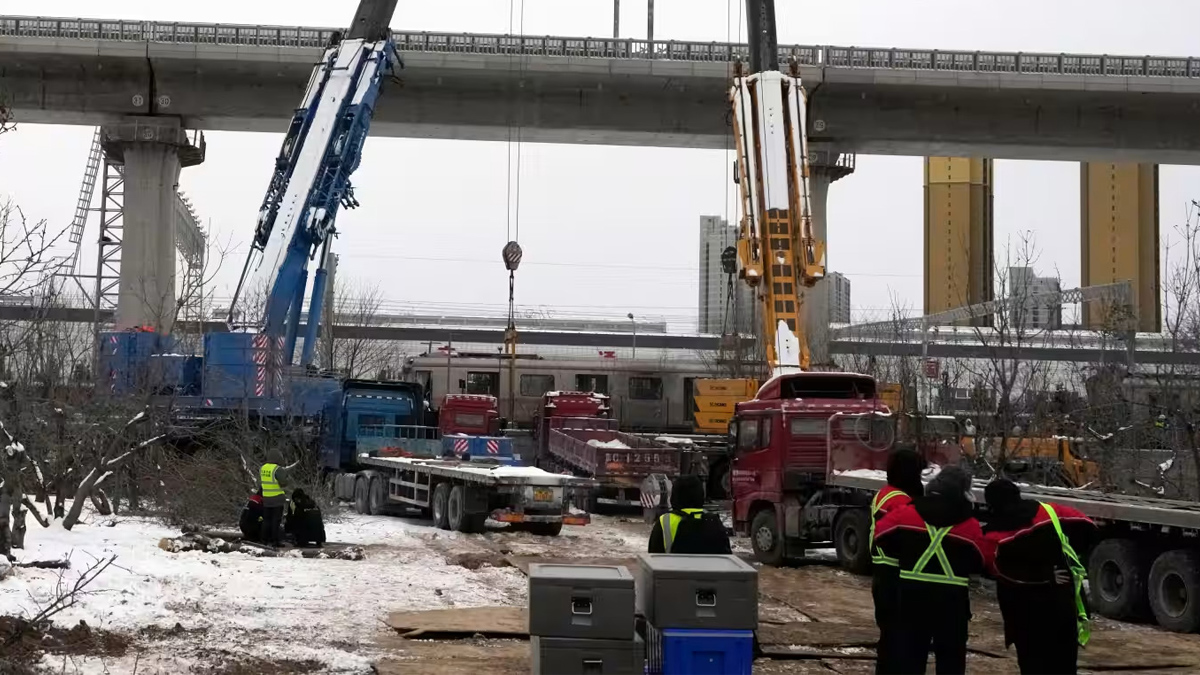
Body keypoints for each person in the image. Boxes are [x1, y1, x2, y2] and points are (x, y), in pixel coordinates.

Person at [874, 466, 992, 674]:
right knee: (951, 660)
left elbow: (880, 536)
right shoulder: (970, 526)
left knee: (909, 657)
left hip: (912, 598)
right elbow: (982, 561)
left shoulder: (906, 514)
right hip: (952, 602)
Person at [983, 479, 1096, 675]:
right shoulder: (1050, 512)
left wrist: (1041, 575)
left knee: (1032, 664)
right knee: (1064, 665)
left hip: (1023, 611)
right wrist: (1070, 558)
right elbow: (1087, 526)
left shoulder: (994, 532)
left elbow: (996, 569)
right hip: (1061, 604)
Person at [870, 450, 925, 674]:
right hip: (895, 576)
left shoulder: (886, 493)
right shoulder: (901, 500)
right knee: (897, 640)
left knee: (888, 638)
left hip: (883, 574)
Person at [647, 474, 731, 554]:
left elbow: (653, 557)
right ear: (700, 495)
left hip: (672, 568)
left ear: (675, 495)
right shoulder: (714, 522)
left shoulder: (665, 521)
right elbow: (726, 556)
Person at [259, 451, 290, 546]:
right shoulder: (277, 469)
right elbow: (284, 483)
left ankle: (264, 540)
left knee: (266, 520)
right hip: (277, 499)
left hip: (266, 498)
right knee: (275, 521)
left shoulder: (262, 468)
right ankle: (275, 541)